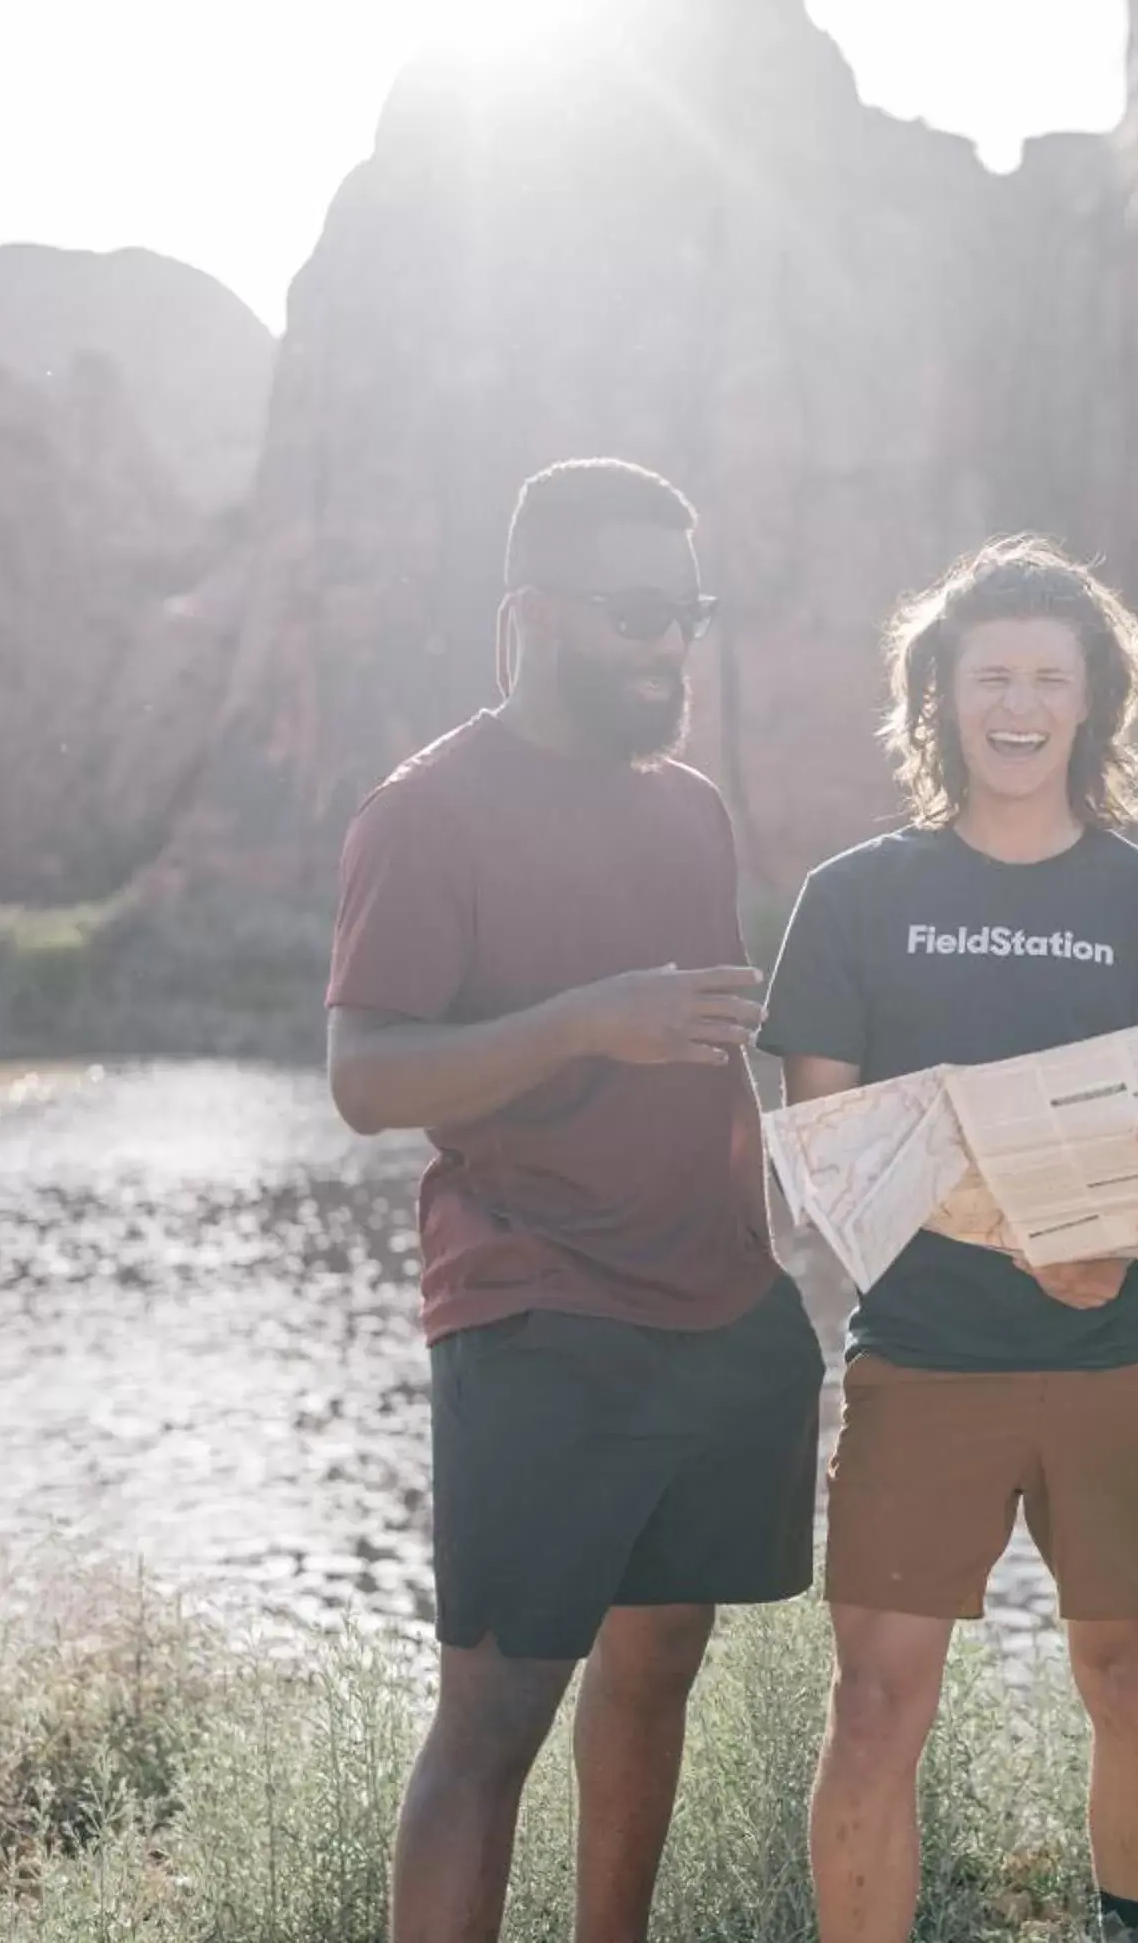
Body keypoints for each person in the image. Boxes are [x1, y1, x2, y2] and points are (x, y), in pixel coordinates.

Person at [323, 458, 823, 1943]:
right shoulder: (424, 814)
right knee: (493, 1716)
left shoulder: (692, 813)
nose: (670, 645)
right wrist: (585, 1020)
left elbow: (705, 1052)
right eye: (634, 613)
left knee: (659, 1666)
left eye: (689, 613)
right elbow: (364, 1078)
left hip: (721, 1313)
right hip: (537, 1313)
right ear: (532, 616)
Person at [758, 537, 1138, 1943]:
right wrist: (1028, 1239)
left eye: (1049, 676)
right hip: (923, 1366)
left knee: (1133, 1685)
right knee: (873, 1705)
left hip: (1129, 1363)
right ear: (939, 697)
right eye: (990, 677)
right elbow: (829, 1165)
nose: (1018, 705)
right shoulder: (853, 900)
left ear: (1095, 702)